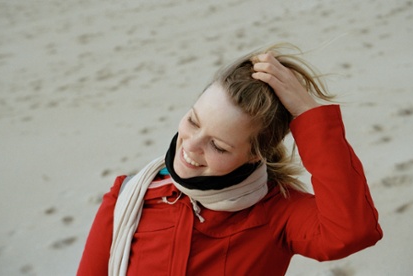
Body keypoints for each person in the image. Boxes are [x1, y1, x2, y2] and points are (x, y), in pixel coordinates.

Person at [78, 44, 383, 275]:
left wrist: (309, 115)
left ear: (255, 155)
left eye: (219, 147)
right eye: (193, 121)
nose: (192, 146)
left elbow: (352, 232)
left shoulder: (278, 215)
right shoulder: (129, 195)